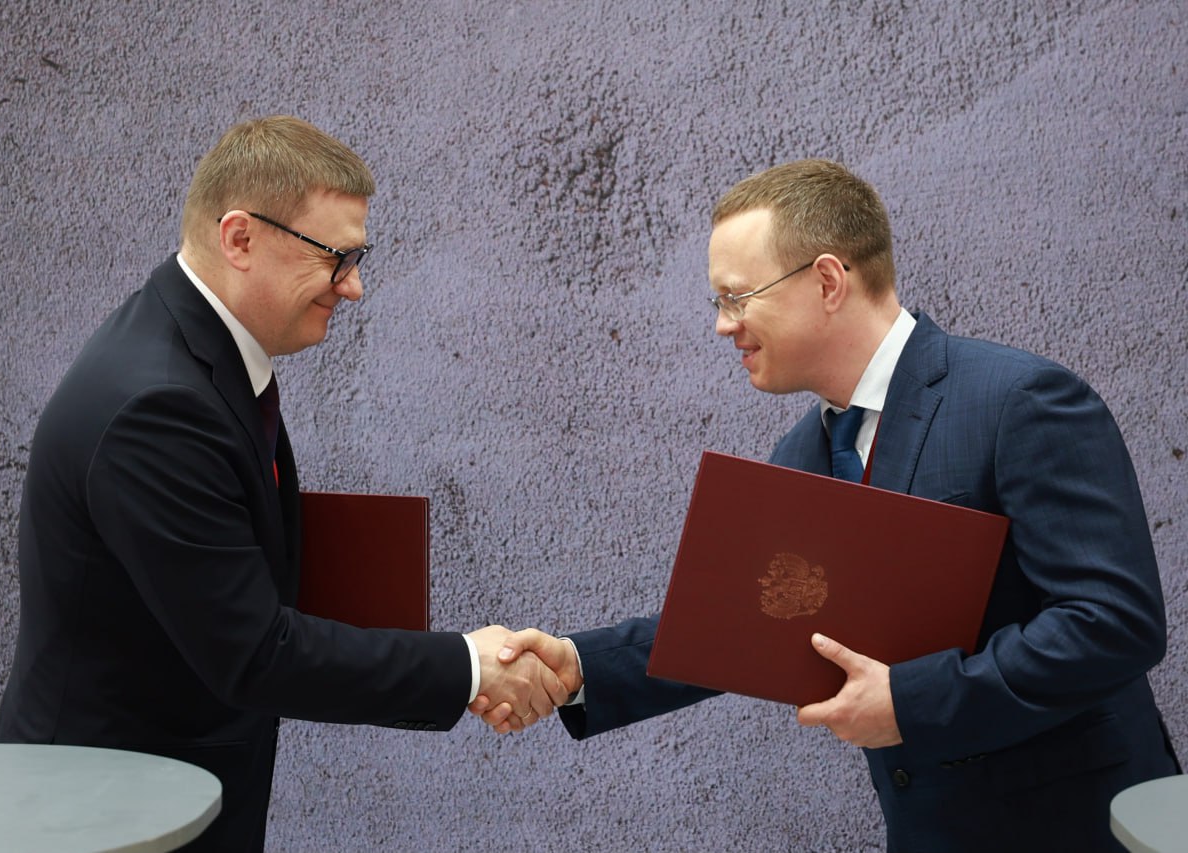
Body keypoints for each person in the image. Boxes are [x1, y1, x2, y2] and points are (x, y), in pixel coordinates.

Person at [474, 159, 1181, 851]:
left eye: (737, 296)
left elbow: (1114, 622)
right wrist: (578, 666)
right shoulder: (803, 453)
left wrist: (910, 701)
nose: (724, 325)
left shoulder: (1018, 401)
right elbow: (735, 626)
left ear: (827, 281)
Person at [0, 115, 565, 853]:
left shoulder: (197, 357)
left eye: (359, 257)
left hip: (155, 797)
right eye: (337, 257)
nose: (354, 287)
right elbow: (253, 652)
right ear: (240, 239)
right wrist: (468, 665)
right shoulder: (157, 407)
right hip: (99, 820)